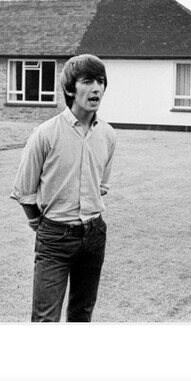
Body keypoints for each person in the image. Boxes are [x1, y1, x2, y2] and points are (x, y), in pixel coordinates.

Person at [10, 54, 117, 322]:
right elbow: (25, 192)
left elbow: (100, 185)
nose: (97, 88)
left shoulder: (108, 134)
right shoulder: (45, 134)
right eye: (88, 81)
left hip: (94, 236)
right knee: (45, 319)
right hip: (54, 239)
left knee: (81, 316)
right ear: (70, 89)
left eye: (101, 81)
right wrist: (41, 224)